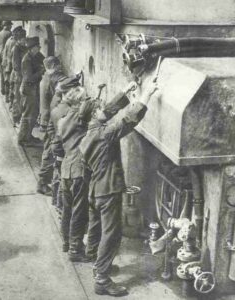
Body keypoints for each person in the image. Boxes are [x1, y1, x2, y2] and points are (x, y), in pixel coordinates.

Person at [79, 80, 158, 297]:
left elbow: (107, 111)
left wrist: (125, 90)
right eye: (98, 107)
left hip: (95, 190)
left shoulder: (91, 129)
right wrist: (146, 95)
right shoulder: (105, 134)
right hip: (108, 191)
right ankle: (102, 280)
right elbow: (127, 120)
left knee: (96, 229)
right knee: (112, 235)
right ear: (94, 114)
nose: (103, 108)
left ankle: (97, 262)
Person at [56, 87, 96, 261]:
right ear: (79, 102)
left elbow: (58, 146)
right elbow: (89, 106)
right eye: (84, 98)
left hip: (66, 170)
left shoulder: (62, 120)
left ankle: (66, 243)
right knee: (79, 212)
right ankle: (75, 250)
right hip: (79, 171)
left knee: (67, 210)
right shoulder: (80, 118)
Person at [37, 74, 81, 196]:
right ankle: (43, 184)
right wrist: (56, 138)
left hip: (55, 136)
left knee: (53, 162)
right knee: (51, 161)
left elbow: (51, 125)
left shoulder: (58, 98)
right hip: (58, 139)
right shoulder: (64, 106)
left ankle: (54, 195)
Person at [18, 36, 45, 147]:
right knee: (28, 114)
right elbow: (29, 78)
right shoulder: (27, 59)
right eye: (38, 46)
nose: (39, 48)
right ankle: (23, 139)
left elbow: (44, 59)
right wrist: (41, 71)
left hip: (33, 89)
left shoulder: (35, 56)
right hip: (28, 89)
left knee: (33, 114)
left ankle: (28, 136)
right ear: (32, 48)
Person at [2, 25, 23, 103]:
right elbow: (12, 56)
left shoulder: (9, 40)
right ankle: (11, 101)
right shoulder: (14, 43)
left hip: (7, 64)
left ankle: (8, 99)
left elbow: (5, 52)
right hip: (11, 65)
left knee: (8, 83)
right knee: (12, 84)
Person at [11, 29, 27, 126]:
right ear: (19, 39)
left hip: (22, 75)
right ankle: (16, 119)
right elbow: (16, 65)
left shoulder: (22, 47)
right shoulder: (16, 49)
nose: (25, 39)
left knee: (22, 98)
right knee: (17, 98)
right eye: (23, 38)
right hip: (18, 76)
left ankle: (20, 117)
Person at [0, 21, 12, 95]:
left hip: (0, 54)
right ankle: (7, 92)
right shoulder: (9, 34)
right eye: (10, 25)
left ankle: (2, 89)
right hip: (5, 55)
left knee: (1, 74)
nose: (11, 26)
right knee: (7, 74)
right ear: (7, 25)